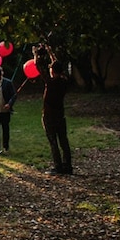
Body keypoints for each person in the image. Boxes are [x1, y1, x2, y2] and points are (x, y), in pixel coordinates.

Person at [35, 46, 72, 175]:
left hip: (50, 116)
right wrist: (51, 52)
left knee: (53, 142)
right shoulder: (64, 81)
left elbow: (38, 66)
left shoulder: (50, 83)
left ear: (52, 71)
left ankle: (58, 167)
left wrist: (36, 54)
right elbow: (57, 65)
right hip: (60, 115)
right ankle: (68, 166)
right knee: (63, 141)